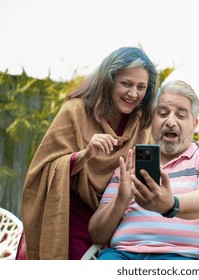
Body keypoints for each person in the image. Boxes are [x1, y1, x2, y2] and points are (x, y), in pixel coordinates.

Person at [18, 47, 158, 260]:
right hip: (69, 213)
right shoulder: (75, 111)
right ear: (108, 81)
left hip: (117, 216)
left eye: (141, 87)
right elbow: (42, 169)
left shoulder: (142, 125)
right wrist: (86, 154)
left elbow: (155, 166)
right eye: (126, 84)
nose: (133, 94)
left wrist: (192, 149)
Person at [88, 80, 199, 260]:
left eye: (181, 115)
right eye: (163, 113)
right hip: (122, 256)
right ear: (152, 121)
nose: (170, 122)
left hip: (185, 258)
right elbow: (97, 234)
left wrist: (170, 205)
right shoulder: (129, 165)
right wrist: (122, 198)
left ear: (194, 124)